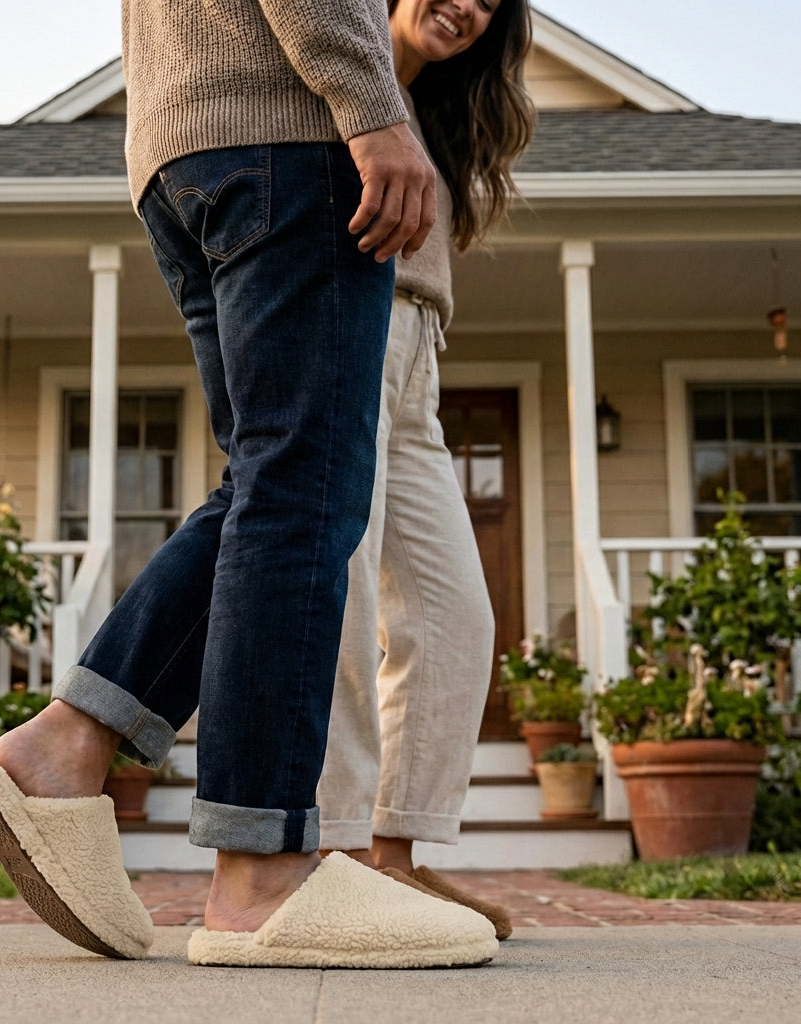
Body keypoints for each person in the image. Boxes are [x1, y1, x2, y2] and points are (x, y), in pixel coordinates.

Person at [0, 0, 501, 970]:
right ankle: (262, 875)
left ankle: (64, 747)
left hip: (187, 143)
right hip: (288, 136)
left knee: (270, 485)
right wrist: (374, 110)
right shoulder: (354, 99)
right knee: (299, 497)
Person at [316, 0, 536, 940]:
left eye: (490, 3)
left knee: (454, 615)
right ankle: (328, 853)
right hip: (350, 325)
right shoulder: (338, 77)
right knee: (344, 590)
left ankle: (392, 858)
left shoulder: (422, 117)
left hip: (419, 359)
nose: (468, 7)